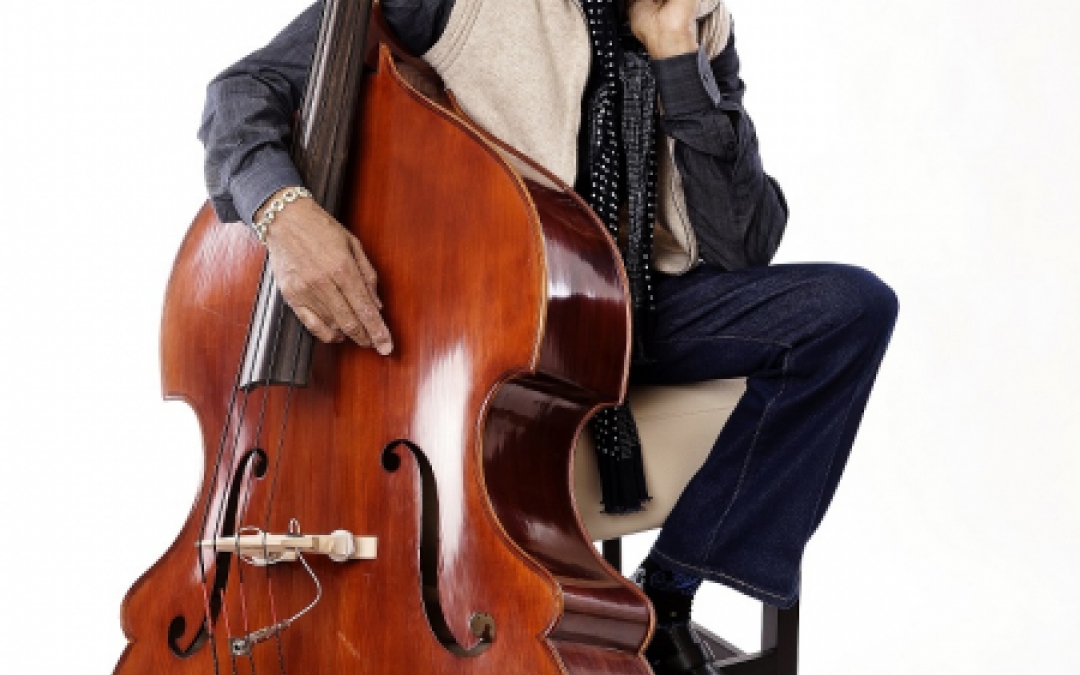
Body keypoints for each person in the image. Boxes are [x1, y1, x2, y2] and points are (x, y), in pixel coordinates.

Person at [198, 1, 898, 673]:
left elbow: (742, 245)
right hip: (498, 313)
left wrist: (675, 52)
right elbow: (243, 91)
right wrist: (285, 214)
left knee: (849, 310)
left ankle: (669, 592)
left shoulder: (701, 24)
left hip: (636, 304)